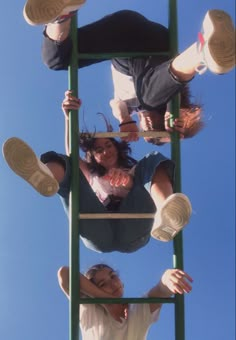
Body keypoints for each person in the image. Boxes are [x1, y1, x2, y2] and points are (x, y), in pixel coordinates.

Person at [2, 90, 192, 253]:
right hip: (98, 228)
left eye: (108, 145)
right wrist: (69, 117)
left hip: (134, 227)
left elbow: (140, 184)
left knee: (153, 159)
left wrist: (127, 181)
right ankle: (44, 175)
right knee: (70, 165)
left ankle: (167, 212)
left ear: (117, 148)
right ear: (93, 158)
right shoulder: (92, 176)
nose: (106, 151)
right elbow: (73, 155)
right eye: (99, 151)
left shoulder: (137, 171)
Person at [23, 2, 235, 143]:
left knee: (56, 60)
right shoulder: (168, 99)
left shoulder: (131, 107)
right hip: (152, 42)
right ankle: (202, 49)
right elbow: (182, 117)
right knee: (150, 98)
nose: (150, 125)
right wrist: (176, 121)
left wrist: (125, 120)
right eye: (157, 128)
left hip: (120, 37)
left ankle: (62, 12)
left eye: (147, 130)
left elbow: (116, 104)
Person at [58, 263, 193, 339]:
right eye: (102, 284)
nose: (112, 284)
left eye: (113, 276)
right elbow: (65, 274)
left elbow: (161, 290)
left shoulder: (135, 311)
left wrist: (167, 278)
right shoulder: (90, 310)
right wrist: (108, 302)